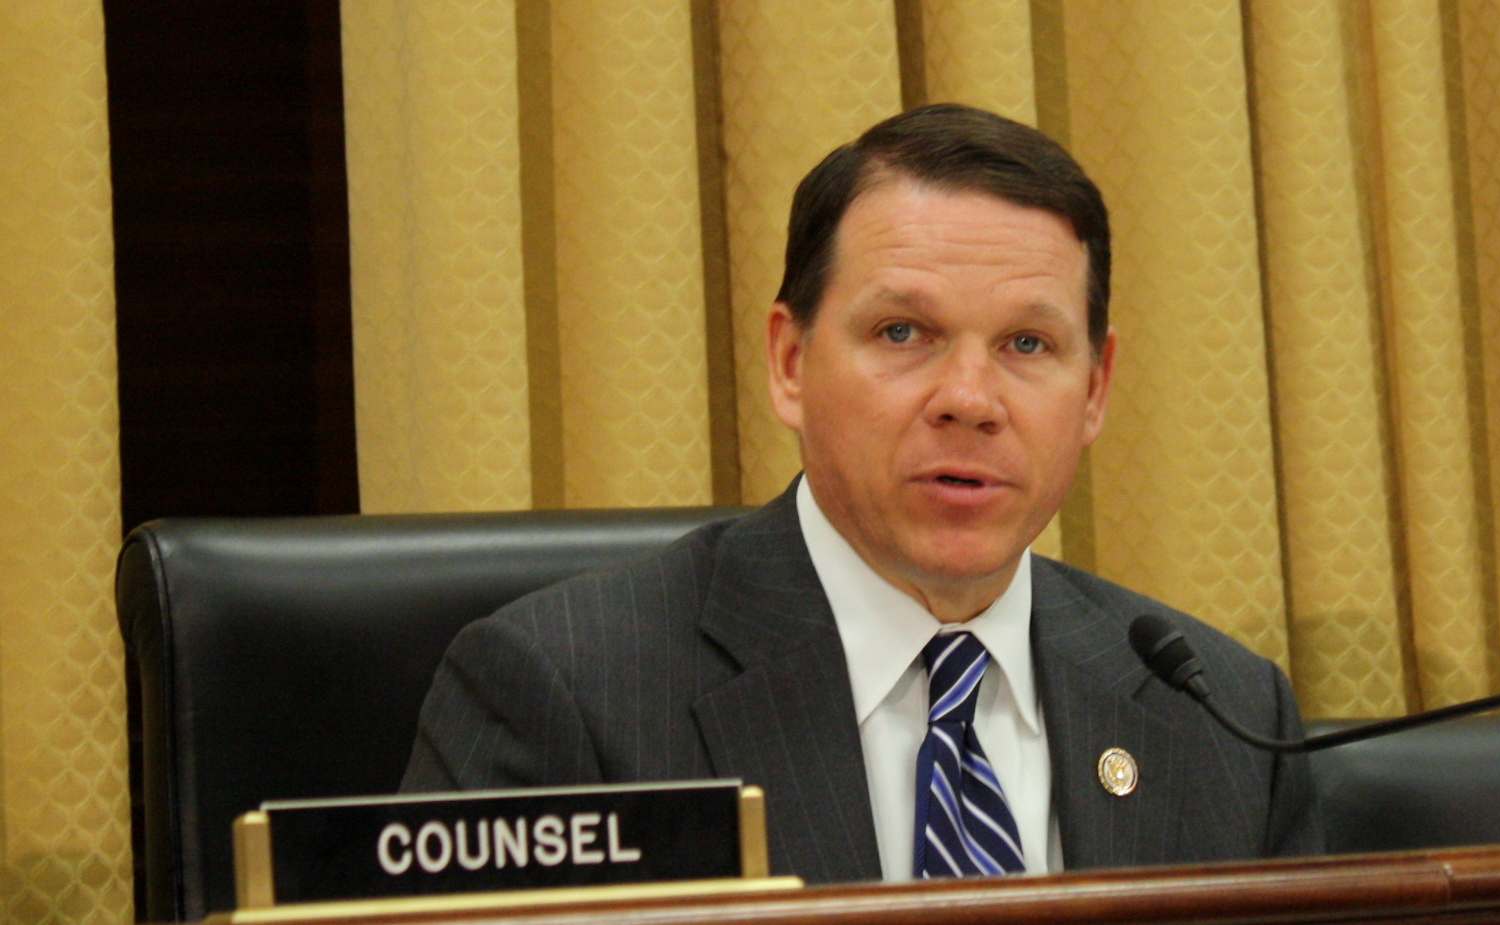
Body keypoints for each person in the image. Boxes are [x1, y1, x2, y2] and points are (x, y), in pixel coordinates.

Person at [402, 103, 1322, 883]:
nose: (970, 400)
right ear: (789, 361)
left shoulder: (1223, 719)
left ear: (1095, 389)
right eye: (902, 332)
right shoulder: (566, 691)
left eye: (1027, 345)